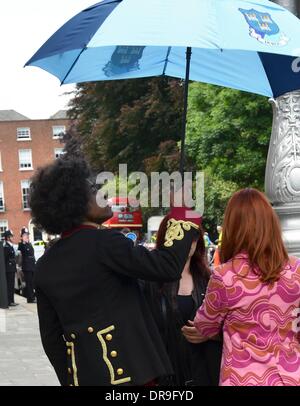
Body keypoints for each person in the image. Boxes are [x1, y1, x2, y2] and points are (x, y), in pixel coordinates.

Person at [29, 157, 201, 386]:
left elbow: (52, 341)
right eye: (93, 189)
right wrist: (181, 211)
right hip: (133, 377)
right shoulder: (105, 243)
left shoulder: (45, 265)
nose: (102, 193)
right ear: (76, 202)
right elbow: (167, 266)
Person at [192, 188, 300, 386]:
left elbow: (205, 326)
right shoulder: (296, 270)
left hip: (242, 378)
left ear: (233, 227)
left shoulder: (226, 276)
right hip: (291, 376)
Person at [144, 216, 222, 386]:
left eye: (192, 235)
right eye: (180, 234)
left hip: (205, 373)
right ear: (167, 237)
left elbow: (230, 325)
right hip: (164, 377)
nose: (187, 241)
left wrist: (212, 334)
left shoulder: (211, 279)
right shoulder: (148, 282)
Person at [18, 227, 36, 303]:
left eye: (27, 234)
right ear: (22, 236)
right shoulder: (21, 245)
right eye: (25, 234)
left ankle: (32, 296)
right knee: (28, 283)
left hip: (32, 265)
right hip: (27, 266)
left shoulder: (29, 243)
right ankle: (30, 298)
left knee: (32, 282)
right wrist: (23, 242)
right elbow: (20, 254)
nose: (27, 236)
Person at [3, 230, 19, 307]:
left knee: (12, 285)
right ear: (8, 238)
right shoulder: (6, 246)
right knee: (9, 285)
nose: (12, 237)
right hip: (8, 269)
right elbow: (5, 259)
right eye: (11, 236)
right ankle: (9, 301)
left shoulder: (10, 245)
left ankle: (12, 300)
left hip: (11, 268)